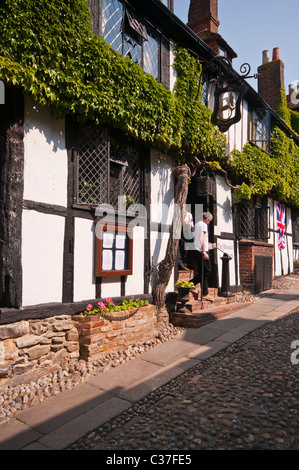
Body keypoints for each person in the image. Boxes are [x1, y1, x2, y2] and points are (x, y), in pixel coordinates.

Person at [189, 212, 213, 301]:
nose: (209, 222)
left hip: (196, 250)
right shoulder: (203, 225)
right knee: (207, 271)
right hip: (201, 251)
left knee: (202, 272)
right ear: (207, 219)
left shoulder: (197, 225)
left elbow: (196, 238)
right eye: (209, 221)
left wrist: (207, 243)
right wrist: (204, 252)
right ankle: (190, 284)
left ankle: (205, 293)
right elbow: (201, 238)